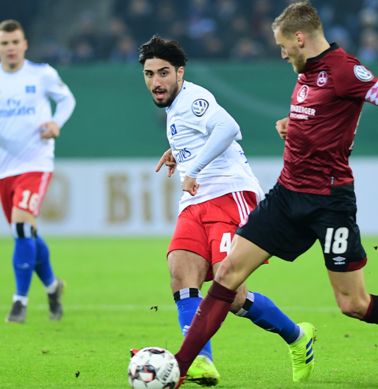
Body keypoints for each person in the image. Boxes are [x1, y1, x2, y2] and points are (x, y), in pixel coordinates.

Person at [172, 2, 378, 389]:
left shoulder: (343, 69)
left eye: (282, 45)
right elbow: (324, 119)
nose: (281, 53)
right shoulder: (306, 72)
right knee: (226, 275)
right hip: (287, 195)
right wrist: (294, 128)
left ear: (299, 37)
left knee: (353, 304)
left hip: (329, 202)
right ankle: (181, 365)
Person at [134, 35, 316, 386]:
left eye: (163, 73)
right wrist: (180, 153)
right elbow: (200, 135)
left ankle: (298, 337)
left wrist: (194, 168)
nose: (156, 82)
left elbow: (229, 128)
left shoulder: (194, 98)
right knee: (180, 272)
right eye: (149, 74)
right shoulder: (176, 107)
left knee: (230, 293)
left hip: (229, 194)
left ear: (179, 72)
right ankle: (201, 360)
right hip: (195, 202)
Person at [0, 20, 76, 323]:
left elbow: (67, 100)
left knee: (22, 227)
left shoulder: (42, 74)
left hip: (36, 162)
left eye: (16, 42)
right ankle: (53, 286)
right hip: (3, 167)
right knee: (25, 232)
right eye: (5, 43)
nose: (11, 48)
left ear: (24, 44)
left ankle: (19, 302)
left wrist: (55, 124)